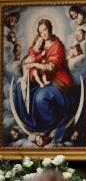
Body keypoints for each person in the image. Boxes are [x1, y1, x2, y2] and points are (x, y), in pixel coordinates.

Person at [13, 18, 79, 146]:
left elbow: (51, 67)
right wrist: (27, 62)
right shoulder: (41, 44)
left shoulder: (57, 45)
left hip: (60, 83)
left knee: (40, 98)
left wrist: (33, 64)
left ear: (50, 29)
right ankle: (33, 124)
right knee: (19, 89)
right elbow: (32, 57)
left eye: (45, 30)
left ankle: (48, 126)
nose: (43, 33)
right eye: (40, 31)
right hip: (45, 79)